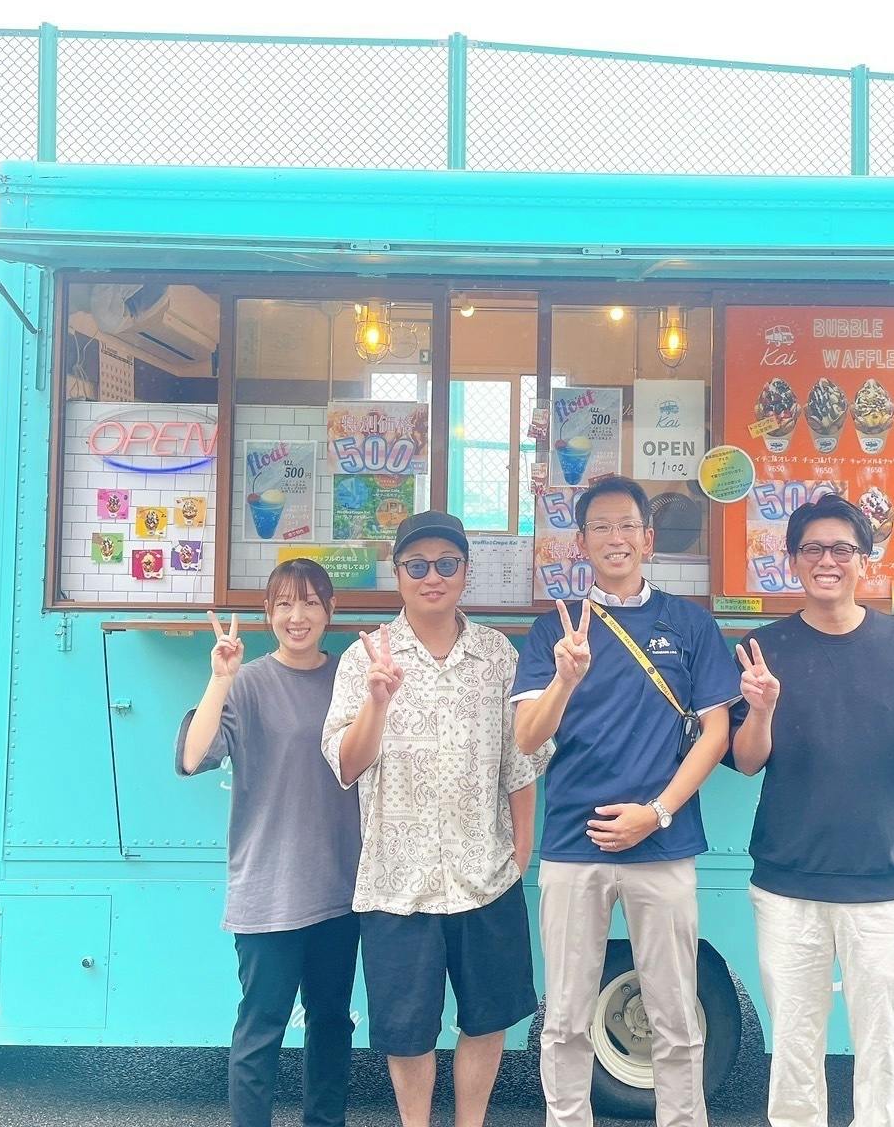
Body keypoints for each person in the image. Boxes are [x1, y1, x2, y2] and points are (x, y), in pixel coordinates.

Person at [729, 493, 894, 1127]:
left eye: (842, 548)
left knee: (885, 1049)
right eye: (812, 548)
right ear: (792, 561)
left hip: (883, 886)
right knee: (793, 1049)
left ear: (865, 560)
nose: (827, 561)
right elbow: (747, 761)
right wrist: (761, 709)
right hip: (788, 884)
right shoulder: (764, 647)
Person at [512, 475, 740, 1127]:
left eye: (627, 526)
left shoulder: (689, 624)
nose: (616, 538)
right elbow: (528, 737)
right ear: (582, 543)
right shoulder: (553, 630)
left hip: (664, 843)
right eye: (601, 527)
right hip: (572, 844)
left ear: (648, 538)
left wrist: (657, 812)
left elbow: (716, 733)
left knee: (675, 1014)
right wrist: (565, 678)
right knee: (565, 1016)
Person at [321, 510, 548, 1127]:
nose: (433, 576)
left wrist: (521, 852)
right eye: (417, 565)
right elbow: (347, 766)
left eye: (446, 564)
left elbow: (520, 762)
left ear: (465, 572)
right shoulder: (365, 657)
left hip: (486, 875)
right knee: (407, 1031)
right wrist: (376, 702)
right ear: (397, 574)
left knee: (489, 1018)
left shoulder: (497, 655)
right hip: (398, 883)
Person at [176, 558, 361, 1127]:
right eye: (284, 604)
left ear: (330, 611)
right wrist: (220, 677)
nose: (297, 616)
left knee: (331, 1022)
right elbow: (192, 758)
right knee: (261, 1026)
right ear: (267, 614)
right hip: (268, 887)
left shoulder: (351, 678)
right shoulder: (249, 682)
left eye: (310, 603)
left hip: (340, 886)